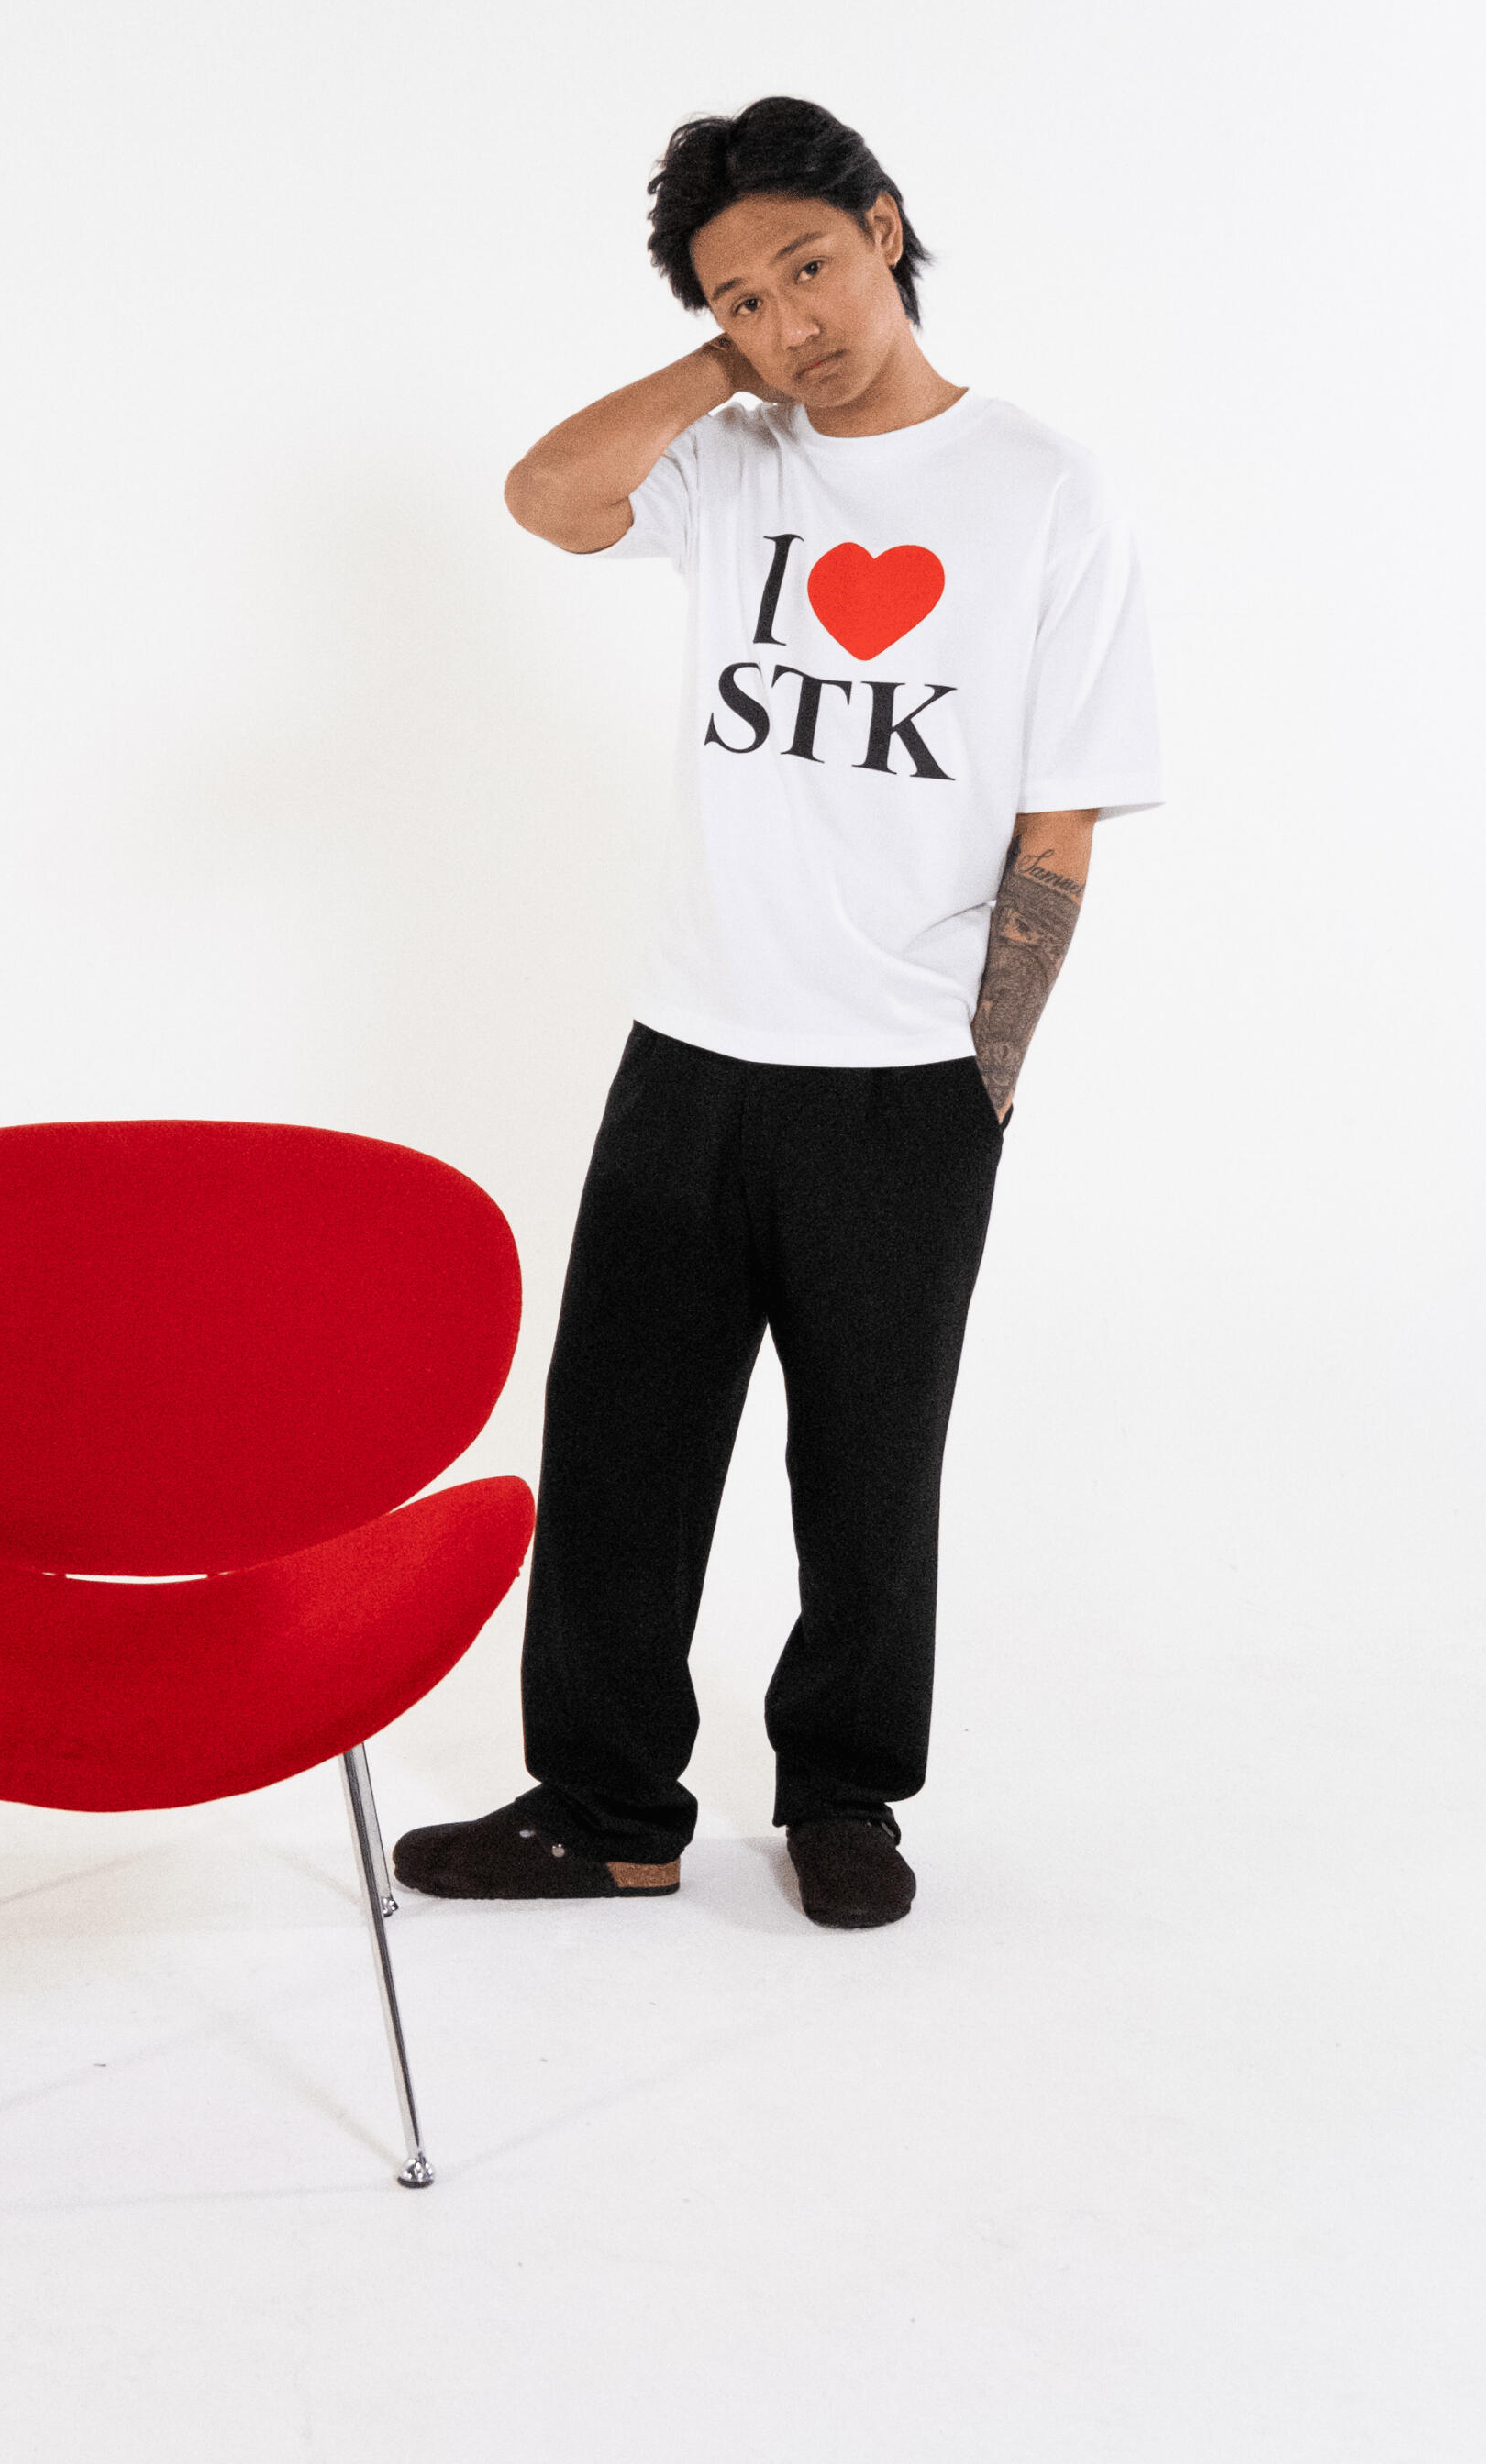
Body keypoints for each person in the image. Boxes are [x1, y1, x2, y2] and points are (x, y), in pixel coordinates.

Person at [391, 95, 1164, 1929]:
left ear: (885, 227)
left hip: (902, 1078)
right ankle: (607, 1808)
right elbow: (546, 499)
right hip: (692, 1047)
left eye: (808, 268)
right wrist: (719, 366)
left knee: (871, 1466)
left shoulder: (1044, 490)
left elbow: (1060, 822)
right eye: (741, 298)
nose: (789, 322)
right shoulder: (732, 459)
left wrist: (983, 1079)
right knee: (621, 1448)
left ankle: (843, 1798)